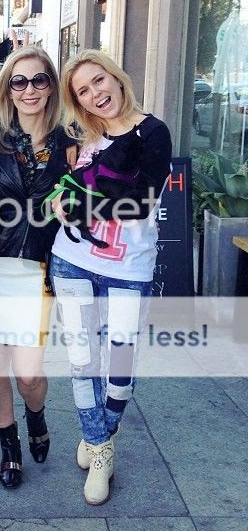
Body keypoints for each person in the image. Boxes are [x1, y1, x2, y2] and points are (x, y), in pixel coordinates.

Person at [49, 49, 172, 505]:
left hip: (128, 267)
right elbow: (49, 171)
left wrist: (80, 203)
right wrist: (60, 199)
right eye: (83, 91)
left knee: (120, 369)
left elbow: (141, 202)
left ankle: (103, 428)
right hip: (72, 259)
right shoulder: (81, 136)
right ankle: (100, 450)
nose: (95, 94)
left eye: (98, 81)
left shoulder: (152, 132)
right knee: (83, 361)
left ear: (117, 78)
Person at [0, 44, 75, 489]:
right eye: (19, 81)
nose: (29, 89)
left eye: (39, 79)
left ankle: (36, 415)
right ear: (7, 89)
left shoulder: (70, 141)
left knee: (29, 372)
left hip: (39, 269)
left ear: (51, 86)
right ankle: (10, 446)